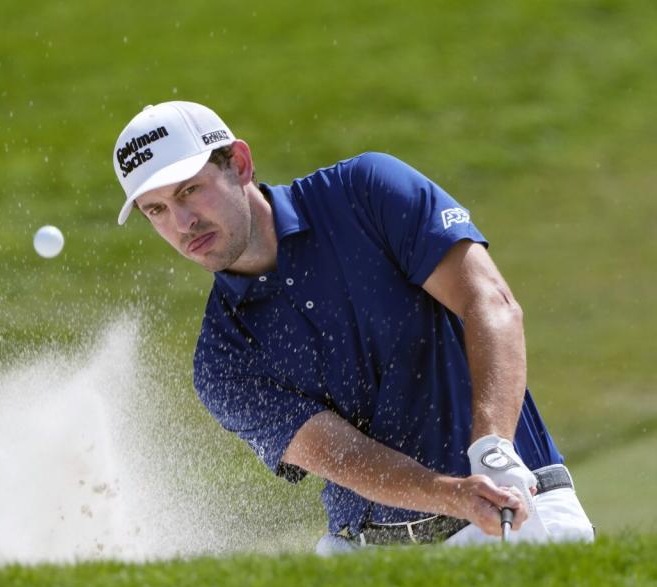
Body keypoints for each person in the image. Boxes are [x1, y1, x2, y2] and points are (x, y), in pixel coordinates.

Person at [111, 101, 595, 551]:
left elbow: (488, 302)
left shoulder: (364, 192)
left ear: (239, 163)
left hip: (519, 511)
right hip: (366, 551)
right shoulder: (222, 359)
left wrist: (492, 448)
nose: (181, 222)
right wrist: (454, 495)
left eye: (189, 191)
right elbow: (343, 456)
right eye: (156, 210)